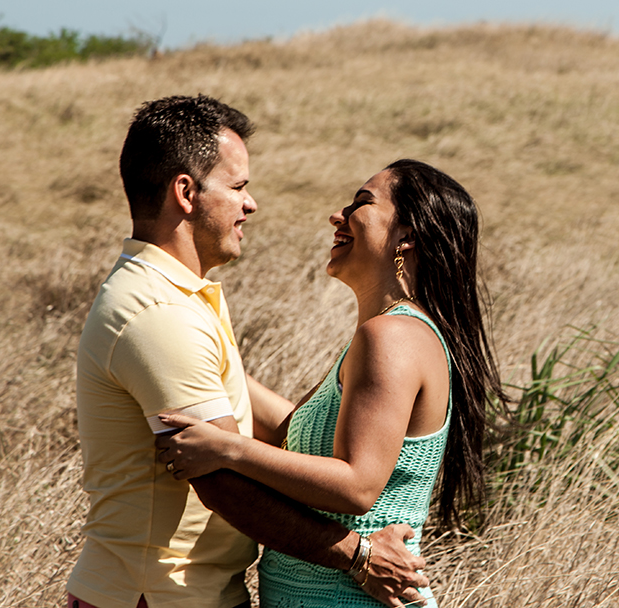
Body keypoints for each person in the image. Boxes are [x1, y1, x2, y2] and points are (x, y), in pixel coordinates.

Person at [68, 95, 429, 608]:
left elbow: (269, 435)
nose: (250, 203)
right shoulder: (160, 312)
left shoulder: (182, 298)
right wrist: (360, 555)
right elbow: (220, 480)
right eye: (238, 187)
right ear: (186, 193)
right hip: (158, 594)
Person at [155, 159, 506, 608]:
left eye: (362, 203)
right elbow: (291, 433)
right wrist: (201, 352)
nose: (338, 215)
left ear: (407, 234)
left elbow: (356, 486)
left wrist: (229, 449)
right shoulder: (389, 332)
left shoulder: (392, 337)